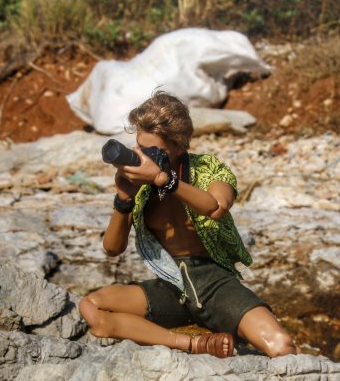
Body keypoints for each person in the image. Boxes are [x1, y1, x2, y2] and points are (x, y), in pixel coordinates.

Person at [79, 92, 297, 358]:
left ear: (179, 146)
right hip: (173, 283)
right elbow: (112, 249)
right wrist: (123, 200)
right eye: (139, 148)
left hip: (214, 282)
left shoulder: (206, 169)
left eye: (153, 151)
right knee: (93, 307)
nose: (144, 157)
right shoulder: (142, 190)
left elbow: (216, 207)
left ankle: (217, 326)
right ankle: (193, 343)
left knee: (280, 345)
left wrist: (164, 179)